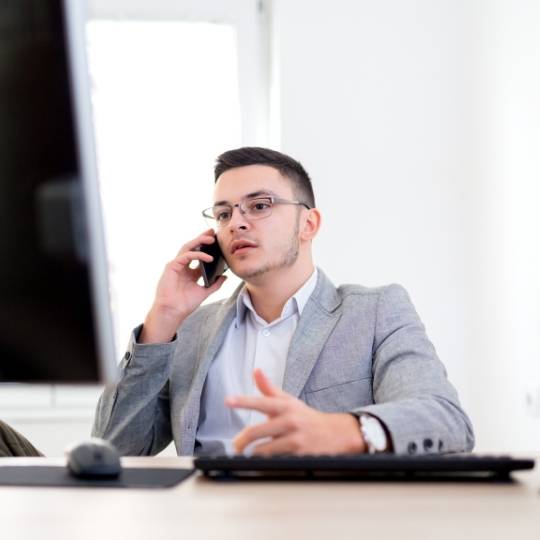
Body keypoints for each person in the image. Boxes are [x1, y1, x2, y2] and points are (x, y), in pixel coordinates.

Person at [92, 147, 474, 457]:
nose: (236, 223)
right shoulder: (189, 331)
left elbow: (445, 420)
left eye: (259, 206)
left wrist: (344, 430)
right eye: (224, 214)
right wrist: (164, 318)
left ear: (308, 224)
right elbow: (115, 449)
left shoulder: (374, 312)